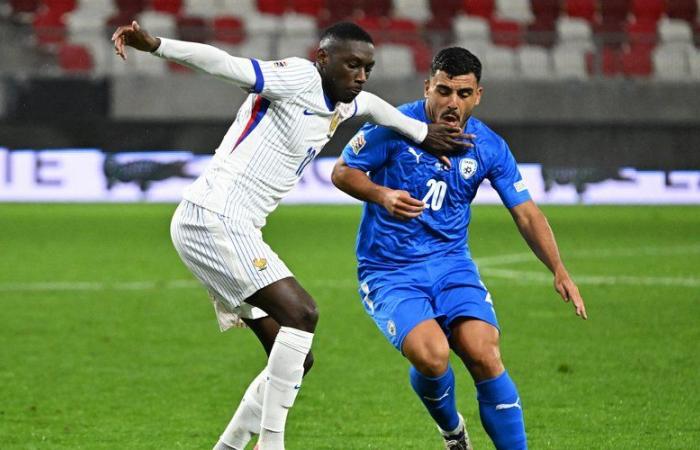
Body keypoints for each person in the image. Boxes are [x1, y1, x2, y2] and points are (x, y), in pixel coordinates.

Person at [111, 20, 470, 450]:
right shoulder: (298, 77)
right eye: (351, 64)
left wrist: (421, 133)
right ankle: (272, 443)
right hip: (214, 217)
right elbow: (224, 64)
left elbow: (374, 106)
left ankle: (227, 447)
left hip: (227, 227)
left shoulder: (342, 101)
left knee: (297, 357)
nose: (359, 76)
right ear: (323, 59)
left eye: (367, 68)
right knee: (302, 314)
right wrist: (156, 46)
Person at [332, 47, 588, 450]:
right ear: (428, 87)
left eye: (463, 94)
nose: (453, 103)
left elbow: (525, 213)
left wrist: (559, 268)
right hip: (389, 269)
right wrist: (382, 195)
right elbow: (342, 172)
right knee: (432, 356)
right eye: (444, 91)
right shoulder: (394, 126)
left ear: (478, 95)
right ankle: (453, 433)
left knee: (484, 353)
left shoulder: (488, 146)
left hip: (452, 265)